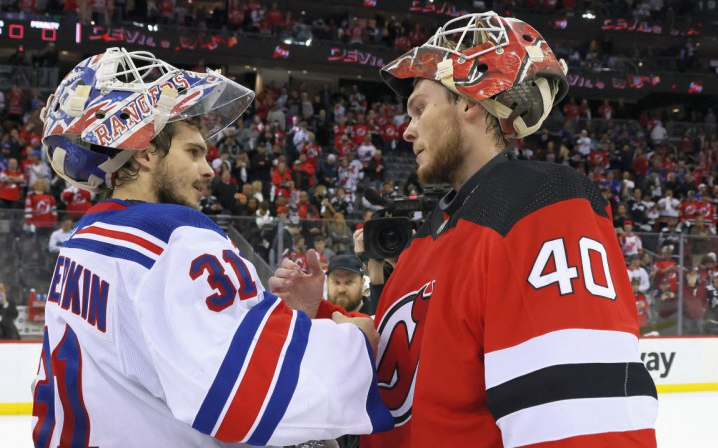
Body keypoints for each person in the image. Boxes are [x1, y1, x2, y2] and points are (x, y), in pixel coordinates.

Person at [271, 11, 657, 447]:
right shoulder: (430, 235)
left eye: (420, 108)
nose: (406, 129)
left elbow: (584, 425)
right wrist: (320, 313)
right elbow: (418, 371)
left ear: (471, 100)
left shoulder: (541, 202)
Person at [32, 47, 392, 447]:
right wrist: (353, 338)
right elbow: (243, 396)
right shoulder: (173, 234)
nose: (209, 170)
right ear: (147, 150)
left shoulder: (84, 238)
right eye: (194, 152)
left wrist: (297, 319)